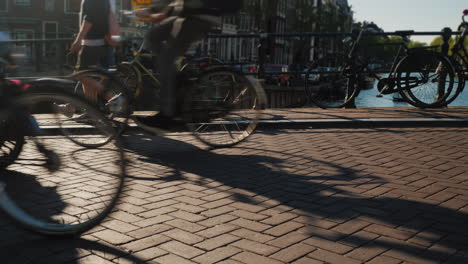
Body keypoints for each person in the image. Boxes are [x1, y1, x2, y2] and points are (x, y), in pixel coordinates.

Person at [134, 0, 221, 129]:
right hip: (187, 15)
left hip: (198, 18)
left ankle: (167, 114)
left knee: (166, 57)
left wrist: (152, 11)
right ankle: (177, 80)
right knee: (153, 36)